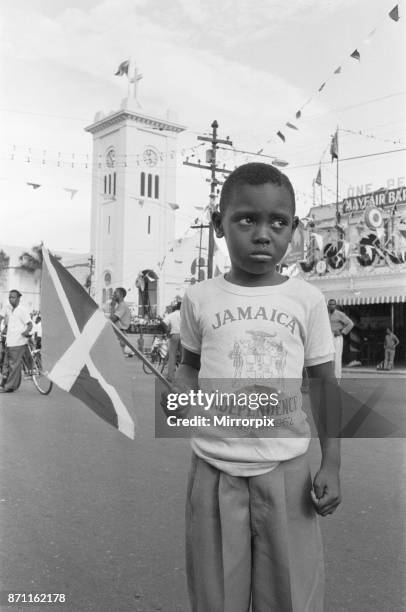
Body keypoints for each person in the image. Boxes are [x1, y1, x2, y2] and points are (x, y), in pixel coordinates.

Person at [168, 163, 341, 611]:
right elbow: (188, 367)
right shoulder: (198, 298)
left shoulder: (307, 300)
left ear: (294, 229)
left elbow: (324, 386)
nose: (263, 234)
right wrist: (179, 391)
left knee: (289, 595)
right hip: (213, 468)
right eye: (247, 219)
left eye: (278, 222)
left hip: (286, 472)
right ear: (218, 225)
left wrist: (332, 465)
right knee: (216, 596)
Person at [0, 290, 33, 393]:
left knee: (13, 365)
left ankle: (9, 387)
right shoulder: (10, 310)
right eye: (10, 297)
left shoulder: (22, 310)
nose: (11, 299)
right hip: (9, 342)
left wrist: (25, 332)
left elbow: (30, 324)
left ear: (19, 298)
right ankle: (7, 383)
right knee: (6, 364)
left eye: (13, 297)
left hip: (18, 342)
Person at [327, 298, 353, 379]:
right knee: (328, 358)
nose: (331, 306)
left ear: (336, 305)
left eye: (333, 304)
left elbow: (350, 324)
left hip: (336, 337)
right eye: (330, 304)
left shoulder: (340, 314)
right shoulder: (325, 314)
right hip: (328, 337)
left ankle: (337, 379)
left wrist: (342, 332)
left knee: (337, 358)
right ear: (328, 305)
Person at [110, 287, 133, 356]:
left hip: (119, 334)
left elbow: (112, 319)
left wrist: (112, 307)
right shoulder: (120, 305)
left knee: (115, 358)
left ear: (121, 294)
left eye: (115, 293)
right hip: (119, 334)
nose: (113, 294)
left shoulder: (122, 305)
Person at [165, 301, 181, 382]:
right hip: (184, 337)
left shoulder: (172, 315)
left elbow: (164, 323)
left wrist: (167, 332)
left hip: (174, 335)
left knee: (172, 356)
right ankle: (183, 377)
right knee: (184, 358)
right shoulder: (185, 315)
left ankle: (170, 376)